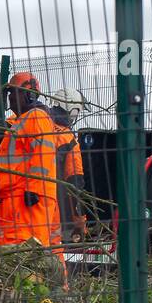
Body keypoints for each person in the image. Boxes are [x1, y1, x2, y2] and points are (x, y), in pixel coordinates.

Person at [0, 71, 62, 252]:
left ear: (28, 93)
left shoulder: (37, 117)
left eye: (12, 93)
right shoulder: (16, 124)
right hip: (8, 201)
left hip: (26, 201)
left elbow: (43, 154)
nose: (9, 99)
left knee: (24, 255)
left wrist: (33, 189)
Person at [47, 88, 89, 243]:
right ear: (72, 111)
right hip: (49, 209)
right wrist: (79, 222)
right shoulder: (68, 139)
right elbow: (75, 184)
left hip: (17, 202)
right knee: (52, 255)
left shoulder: (34, 122)